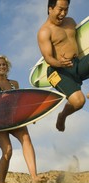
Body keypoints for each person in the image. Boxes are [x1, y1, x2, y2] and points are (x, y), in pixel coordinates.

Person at [0, 55, 41, 183]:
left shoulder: (14, 84)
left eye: (4, 65)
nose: (2, 67)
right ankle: (1, 182)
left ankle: (34, 176)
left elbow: (19, 104)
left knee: (26, 139)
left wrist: (30, 116)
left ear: (7, 67)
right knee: (8, 151)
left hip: (13, 119)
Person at [37, 0, 89, 131]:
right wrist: (59, 63)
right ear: (50, 9)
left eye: (66, 9)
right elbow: (48, 57)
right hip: (56, 71)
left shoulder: (70, 22)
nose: (63, 13)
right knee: (79, 101)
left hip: (75, 63)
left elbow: (82, 42)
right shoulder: (44, 31)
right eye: (60, 9)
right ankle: (62, 116)